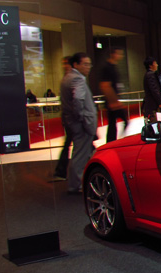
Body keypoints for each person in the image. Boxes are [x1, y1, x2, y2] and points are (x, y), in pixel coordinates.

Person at [60, 52, 97, 195]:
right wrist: (81, 117)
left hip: (73, 121)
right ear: (76, 64)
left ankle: (80, 181)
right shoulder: (77, 79)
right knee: (80, 154)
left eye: (89, 64)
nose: (88, 67)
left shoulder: (67, 77)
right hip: (81, 123)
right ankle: (77, 184)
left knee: (83, 152)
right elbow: (78, 99)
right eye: (85, 64)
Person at [100, 48, 128, 143]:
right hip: (112, 102)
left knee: (113, 124)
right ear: (113, 54)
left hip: (112, 102)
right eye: (119, 53)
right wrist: (114, 102)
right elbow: (105, 86)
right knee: (118, 123)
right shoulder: (107, 68)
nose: (121, 56)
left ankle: (112, 142)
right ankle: (114, 142)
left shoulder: (113, 67)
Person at [53, 56, 73, 180]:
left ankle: (61, 171)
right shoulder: (69, 80)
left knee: (69, 144)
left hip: (69, 117)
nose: (64, 66)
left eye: (66, 64)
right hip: (71, 118)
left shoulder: (66, 79)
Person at [142, 57, 161, 122]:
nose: (157, 65)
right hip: (152, 104)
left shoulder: (148, 74)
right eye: (155, 63)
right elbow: (154, 89)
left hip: (151, 104)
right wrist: (160, 101)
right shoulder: (150, 75)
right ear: (150, 65)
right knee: (154, 121)